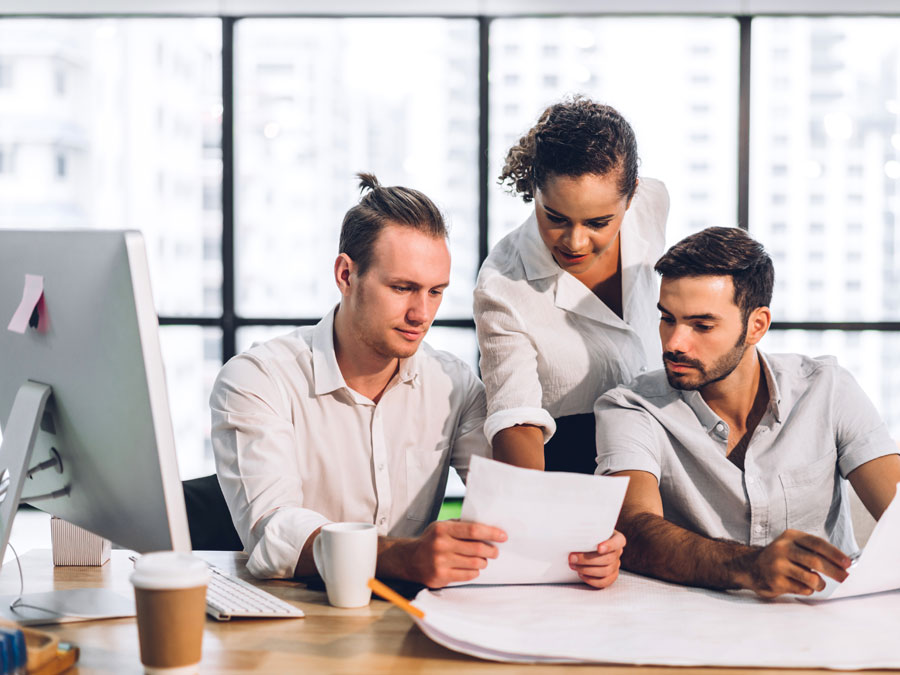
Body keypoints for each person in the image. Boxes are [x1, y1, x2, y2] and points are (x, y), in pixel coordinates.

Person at [210, 174, 621, 590]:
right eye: (403, 288)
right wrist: (398, 556)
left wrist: (585, 543)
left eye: (435, 292)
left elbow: (510, 506)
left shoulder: (454, 386)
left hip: (407, 618)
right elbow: (272, 531)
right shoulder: (257, 380)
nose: (421, 314)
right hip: (294, 616)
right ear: (345, 274)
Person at [594, 226, 900, 598]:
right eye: (667, 318)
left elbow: (896, 514)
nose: (674, 343)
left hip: (828, 615)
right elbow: (635, 528)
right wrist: (749, 566)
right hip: (695, 621)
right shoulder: (631, 407)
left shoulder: (828, 390)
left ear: (757, 325)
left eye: (701, 325)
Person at [474, 96, 669, 477]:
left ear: (631, 197)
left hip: (660, 444)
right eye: (556, 218)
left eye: (598, 222)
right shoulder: (501, 288)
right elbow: (516, 419)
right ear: (535, 188)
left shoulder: (652, 204)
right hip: (573, 466)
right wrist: (533, 507)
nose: (575, 242)